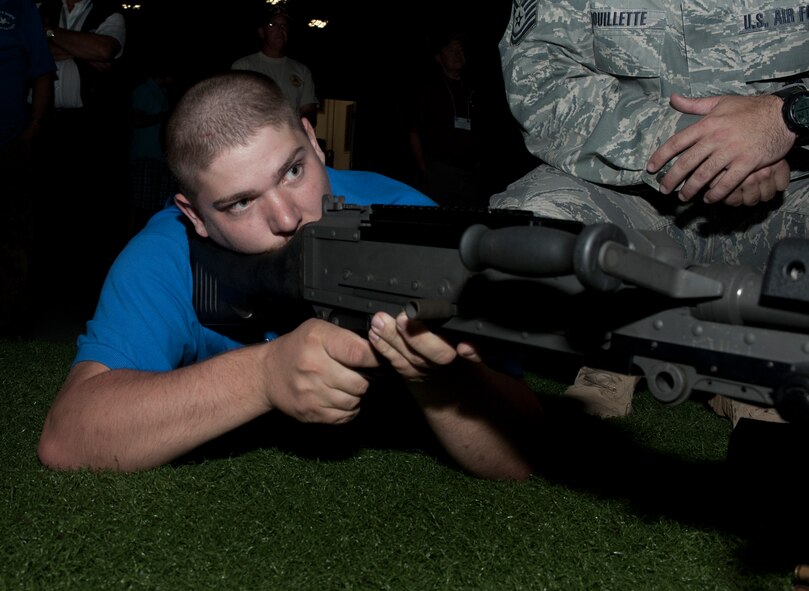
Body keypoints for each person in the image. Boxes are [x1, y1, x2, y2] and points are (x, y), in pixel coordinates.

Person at [37, 71, 544, 480]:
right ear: (195, 216)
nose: (285, 218)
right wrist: (263, 376)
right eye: (240, 203)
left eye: (292, 172)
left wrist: (441, 383)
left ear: (314, 141)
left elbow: (522, 456)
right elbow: (69, 436)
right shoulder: (166, 254)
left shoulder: (402, 218)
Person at [492, 1, 808, 422]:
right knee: (527, 225)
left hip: (786, 201)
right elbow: (539, 80)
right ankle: (615, 343)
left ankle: (752, 358)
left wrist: (785, 118)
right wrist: (703, 146)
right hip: (635, 199)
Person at [35, 0, 128, 318]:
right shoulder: (41, 7)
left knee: (93, 214)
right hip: (44, 126)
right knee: (48, 213)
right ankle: (47, 298)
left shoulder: (110, 12)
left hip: (92, 133)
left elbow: (104, 49)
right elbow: (24, 51)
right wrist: (79, 48)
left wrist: (46, 35)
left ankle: (92, 304)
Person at [0, 0, 57, 334]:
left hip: (9, 143)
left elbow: (42, 73)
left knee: (12, 238)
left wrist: (34, 126)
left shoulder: (20, 9)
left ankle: (10, 326)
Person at [407, 29, 483, 207]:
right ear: (439, 58)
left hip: (470, 173)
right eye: (451, 50)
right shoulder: (429, 89)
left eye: (461, 50)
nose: (458, 54)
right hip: (440, 171)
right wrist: (424, 168)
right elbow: (413, 130)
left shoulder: (472, 89)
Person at [231, 5, 318, 128]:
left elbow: (309, 110)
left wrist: (301, 128)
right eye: (272, 25)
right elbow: (235, 109)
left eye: (284, 25)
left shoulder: (302, 71)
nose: (279, 29)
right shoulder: (243, 66)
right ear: (262, 32)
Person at [127, 55, 177, 236]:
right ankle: (132, 241)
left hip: (162, 159)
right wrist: (166, 116)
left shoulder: (163, 93)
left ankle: (153, 239)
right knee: (141, 205)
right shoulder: (143, 90)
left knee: (160, 206)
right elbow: (137, 120)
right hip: (145, 157)